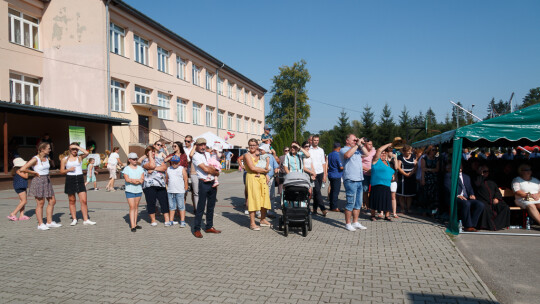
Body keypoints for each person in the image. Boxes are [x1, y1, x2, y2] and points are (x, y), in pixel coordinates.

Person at [21, 142, 61, 230]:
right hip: (38, 181)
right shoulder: (35, 159)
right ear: (42, 149)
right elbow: (23, 169)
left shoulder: (47, 158)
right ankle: (40, 224)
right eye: (48, 148)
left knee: (52, 201)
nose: (50, 150)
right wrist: (34, 172)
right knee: (40, 203)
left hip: (47, 180)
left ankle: (49, 222)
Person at [192, 138, 221, 238]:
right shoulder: (196, 156)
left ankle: (209, 226)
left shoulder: (207, 154)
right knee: (201, 207)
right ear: (196, 146)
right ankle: (197, 229)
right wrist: (216, 171)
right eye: (200, 145)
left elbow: (213, 165)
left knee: (211, 206)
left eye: (204, 144)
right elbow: (205, 169)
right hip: (203, 182)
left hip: (212, 182)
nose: (203, 147)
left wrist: (214, 171)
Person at [60, 143, 95, 226]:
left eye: (76, 149)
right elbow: (61, 171)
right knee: (72, 200)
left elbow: (87, 153)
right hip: (70, 179)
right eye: (73, 149)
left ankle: (86, 219)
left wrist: (77, 146)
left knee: (84, 200)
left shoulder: (79, 157)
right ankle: (74, 219)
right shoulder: (65, 159)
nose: (74, 151)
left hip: (79, 178)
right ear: (69, 150)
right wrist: (68, 170)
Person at [340, 134, 369, 231]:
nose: (355, 141)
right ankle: (348, 223)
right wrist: (357, 145)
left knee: (358, 203)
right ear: (347, 141)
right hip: (350, 179)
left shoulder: (357, 149)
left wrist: (360, 144)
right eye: (353, 140)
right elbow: (347, 155)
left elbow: (367, 153)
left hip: (359, 179)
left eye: (355, 140)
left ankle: (355, 222)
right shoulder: (344, 149)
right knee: (350, 202)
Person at [444, 164, 484, 232]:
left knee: (480, 204)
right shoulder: (449, 176)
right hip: (456, 197)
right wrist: (457, 195)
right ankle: (468, 226)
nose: (460, 168)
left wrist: (472, 194)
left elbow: (469, 187)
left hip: (466, 197)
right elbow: (447, 187)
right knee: (466, 204)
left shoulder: (466, 177)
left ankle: (472, 225)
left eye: (461, 166)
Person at [244, 138, 271, 230]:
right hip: (252, 178)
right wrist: (265, 171)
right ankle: (252, 223)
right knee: (253, 199)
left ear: (257, 146)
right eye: (250, 145)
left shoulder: (260, 155)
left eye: (254, 145)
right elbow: (253, 168)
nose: (252, 147)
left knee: (264, 198)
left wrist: (266, 174)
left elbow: (266, 162)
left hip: (262, 178)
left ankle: (262, 219)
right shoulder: (247, 155)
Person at [473, 165, 510, 230]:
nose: (485, 173)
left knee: (505, 207)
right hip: (483, 200)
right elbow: (477, 184)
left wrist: (497, 198)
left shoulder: (492, 181)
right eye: (484, 171)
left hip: (493, 200)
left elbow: (497, 191)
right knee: (486, 208)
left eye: (487, 171)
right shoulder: (477, 179)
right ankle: (490, 226)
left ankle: (497, 225)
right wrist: (481, 175)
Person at [141, 145, 170, 226]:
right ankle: (153, 220)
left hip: (161, 184)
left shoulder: (159, 159)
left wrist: (153, 169)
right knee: (151, 202)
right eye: (151, 152)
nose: (153, 153)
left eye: (154, 151)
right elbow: (151, 165)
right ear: (147, 153)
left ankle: (167, 220)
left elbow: (164, 168)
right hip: (149, 185)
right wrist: (150, 158)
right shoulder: (144, 161)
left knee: (164, 202)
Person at [369, 143, 394, 221]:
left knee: (387, 200)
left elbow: (391, 171)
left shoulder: (388, 163)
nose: (382, 154)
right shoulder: (376, 161)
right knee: (375, 200)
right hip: (377, 184)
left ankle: (387, 215)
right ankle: (373, 215)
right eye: (381, 153)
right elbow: (379, 150)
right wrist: (390, 144)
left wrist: (392, 176)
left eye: (384, 153)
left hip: (386, 184)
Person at [123, 152, 144, 232]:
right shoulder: (127, 168)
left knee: (136, 207)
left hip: (138, 190)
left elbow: (142, 179)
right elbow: (127, 179)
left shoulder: (140, 168)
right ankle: (132, 226)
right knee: (132, 207)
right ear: (129, 160)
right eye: (133, 159)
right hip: (130, 190)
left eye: (136, 159)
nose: (135, 160)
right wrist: (135, 181)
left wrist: (134, 181)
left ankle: (135, 223)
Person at [165, 155, 188, 227]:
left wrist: (185, 188)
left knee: (181, 206)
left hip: (180, 191)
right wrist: (167, 188)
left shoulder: (181, 169)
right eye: (173, 162)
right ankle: (171, 220)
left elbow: (185, 179)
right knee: (172, 206)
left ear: (179, 163)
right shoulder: (168, 169)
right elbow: (167, 179)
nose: (174, 164)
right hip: (171, 191)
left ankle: (182, 221)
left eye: (176, 163)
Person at [309, 135, 328, 216]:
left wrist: (325, 174)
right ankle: (323, 209)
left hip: (320, 172)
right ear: (311, 141)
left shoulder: (321, 150)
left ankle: (314, 209)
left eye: (317, 140)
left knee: (317, 192)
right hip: (313, 173)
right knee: (317, 191)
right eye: (314, 140)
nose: (316, 141)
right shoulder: (309, 150)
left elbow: (323, 162)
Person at [259, 143, 280, 216]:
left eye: (262, 149)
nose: (260, 150)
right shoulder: (259, 157)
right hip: (261, 178)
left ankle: (270, 211)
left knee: (271, 195)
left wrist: (276, 171)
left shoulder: (271, 156)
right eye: (260, 149)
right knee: (261, 195)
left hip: (271, 179)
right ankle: (260, 212)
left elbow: (276, 166)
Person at [396, 145, 417, 213]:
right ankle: (402, 208)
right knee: (401, 194)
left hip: (411, 176)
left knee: (409, 194)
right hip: (402, 177)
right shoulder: (400, 157)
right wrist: (405, 174)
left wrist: (411, 173)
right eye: (408, 151)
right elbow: (399, 167)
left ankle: (408, 208)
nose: (410, 153)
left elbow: (416, 166)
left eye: (410, 151)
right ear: (404, 152)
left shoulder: (413, 156)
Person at [420, 145, 439, 216]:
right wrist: (423, 179)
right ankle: (425, 211)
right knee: (426, 195)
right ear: (429, 150)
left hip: (434, 179)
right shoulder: (424, 158)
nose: (434, 151)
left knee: (434, 196)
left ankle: (433, 212)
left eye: (435, 150)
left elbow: (437, 169)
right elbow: (423, 170)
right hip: (426, 178)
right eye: (433, 150)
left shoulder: (437, 159)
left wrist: (428, 169)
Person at [184, 135, 198, 212]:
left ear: (191, 141)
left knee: (194, 191)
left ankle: (195, 208)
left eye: (188, 141)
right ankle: (182, 209)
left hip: (193, 170)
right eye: (185, 141)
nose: (186, 142)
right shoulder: (183, 149)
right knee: (184, 191)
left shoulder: (194, 149)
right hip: (185, 170)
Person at [327, 142, 343, 212]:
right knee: (336, 192)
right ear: (339, 148)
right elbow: (341, 167)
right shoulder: (338, 155)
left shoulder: (330, 154)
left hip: (330, 174)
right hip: (336, 175)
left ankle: (331, 205)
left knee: (332, 191)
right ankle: (334, 207)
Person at [361, 139, 376, 211]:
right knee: (365, 191)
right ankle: (368, 206)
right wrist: (368, 170)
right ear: (365, 145)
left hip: (374, 175)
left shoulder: (374, 152)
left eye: (372, 144)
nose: (371, 146)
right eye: (369, 144)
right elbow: (359, 164)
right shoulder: (362, 153)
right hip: (365, 174)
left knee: (373, 191)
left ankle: (373, 206)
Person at [387, 149, 399, 218]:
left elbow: (396, 168)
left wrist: (395, 158)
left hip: (393, 180)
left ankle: (394, 212)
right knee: (385, 195)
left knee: (393, 196)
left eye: (392, 152)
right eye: (389, 151)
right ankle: (383, 211)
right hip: (386, 179)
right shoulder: (384, 159)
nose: (391, 153)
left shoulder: (394, 159)